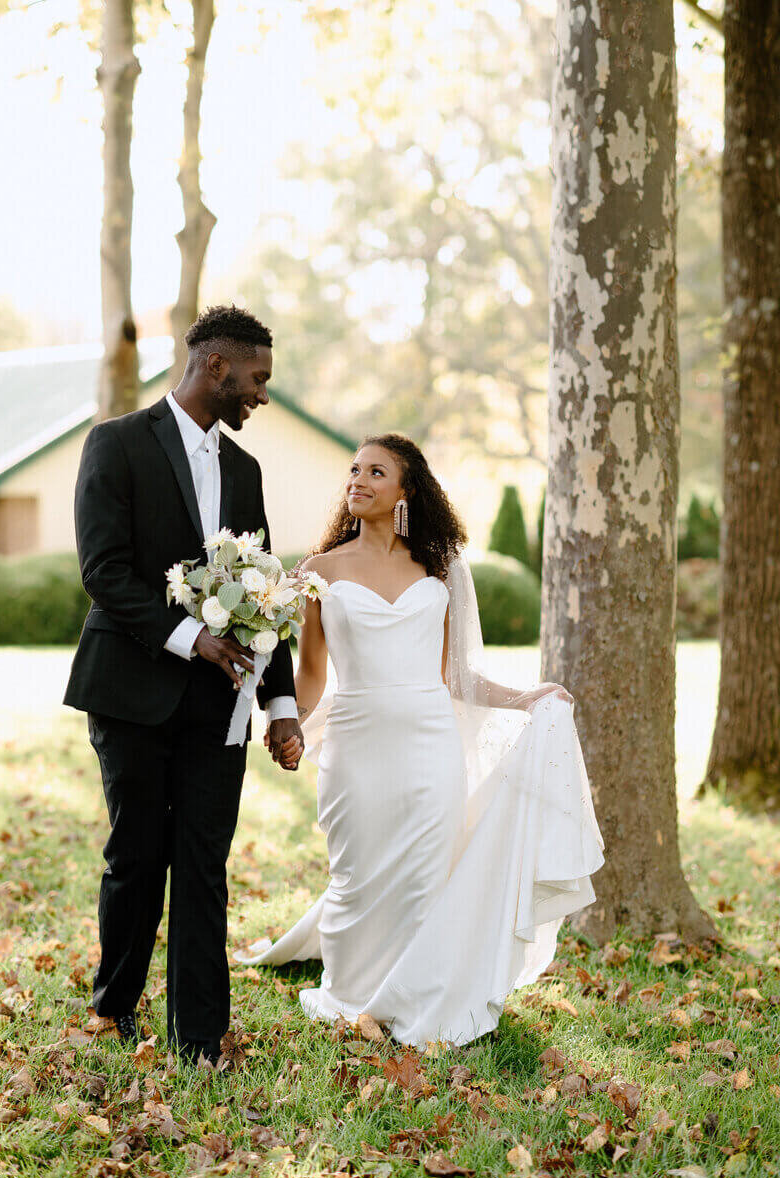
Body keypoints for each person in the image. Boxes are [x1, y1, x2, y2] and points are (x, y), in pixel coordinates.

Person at [247, 434, 605, 1048]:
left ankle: (416, 996)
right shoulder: (317, 573)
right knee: (356, 873)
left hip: (430, 745)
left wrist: (526, 698)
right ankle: (355, 994)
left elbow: (454, 677)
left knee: (421, 877)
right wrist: (288, 726)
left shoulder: (438, 569)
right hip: (356, 746)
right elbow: (310, 676)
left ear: (406, 490)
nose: (358, 479)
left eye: (376, 472)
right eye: (354, 469)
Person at [64, 305, 303, 1067]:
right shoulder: (116, 444)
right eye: (257, 378)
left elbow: (265, 595)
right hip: (130, 690)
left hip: (217, 703)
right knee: (136, 853)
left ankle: (199, 1033)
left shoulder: (245, 470)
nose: (262, 393)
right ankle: (115, 1006)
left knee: (203, 859)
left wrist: (282, 705)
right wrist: (190, 636)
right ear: (215, 368)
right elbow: (104, 572)